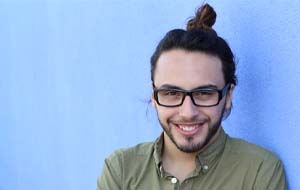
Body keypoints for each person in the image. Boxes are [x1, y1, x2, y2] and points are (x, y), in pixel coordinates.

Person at [97, 3, 286, 190]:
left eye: (204, 93)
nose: (188, 112)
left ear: (228, 95)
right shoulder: (120, 170)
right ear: (154, 96)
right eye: (171, 93)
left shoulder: (259, 171)